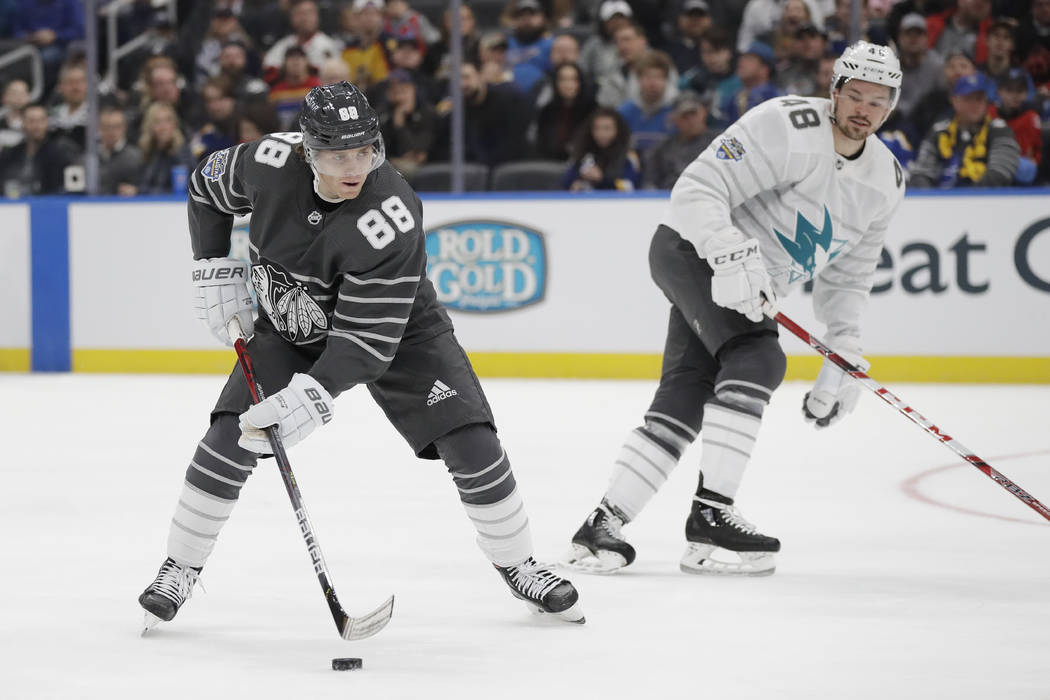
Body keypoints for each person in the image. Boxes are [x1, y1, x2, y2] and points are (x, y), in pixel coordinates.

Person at [137, 81, 583, 630]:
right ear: (306, 148)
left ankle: (519, 564)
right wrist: (212, 263)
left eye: (364, 151)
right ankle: (179, 566)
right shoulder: (268, 161)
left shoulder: (390, 213)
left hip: (401, 332)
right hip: (292, 320)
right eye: (336, 154)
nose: (354, 167)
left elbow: (365, 342)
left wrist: (314, 394)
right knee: (230, 435)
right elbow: (206, 184)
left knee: (471, 439)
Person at [562, 41, 906, 576]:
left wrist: (844, 343)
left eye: (878, 101)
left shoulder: (886, 180)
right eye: (855, 94)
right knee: (757, 359)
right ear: (834, 90)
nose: (864, 109)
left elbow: (850, 274)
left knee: (686, 392)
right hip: (692, 249)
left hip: (743, 284)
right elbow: (697, 188)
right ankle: (712, 517)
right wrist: (733, 253)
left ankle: (601, 527)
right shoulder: (786, 123)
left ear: (892, 105)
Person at [909, 72, 1020, 188]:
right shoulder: (939, 131)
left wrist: (967, 199)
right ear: (954, 101)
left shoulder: (1000, 131)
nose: (975, 104)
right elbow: (921, 173)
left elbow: (1000, 173)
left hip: (987, 202)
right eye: (968, 98)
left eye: (979, 99)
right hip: (940, 200)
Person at [562, 106, 640, 191]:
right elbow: (566, 179)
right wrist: (574, 183)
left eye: (607, 128)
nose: (601, 133)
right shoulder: (583, 152)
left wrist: (602, 179)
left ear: (618, 130)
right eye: (596, 128)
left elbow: (630, 185)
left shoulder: (628, 155)